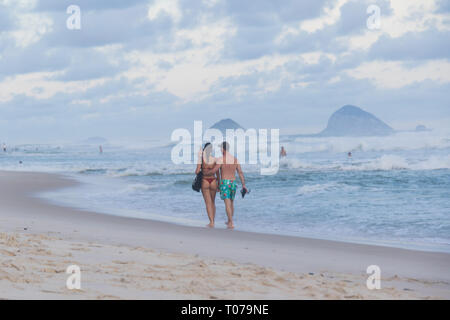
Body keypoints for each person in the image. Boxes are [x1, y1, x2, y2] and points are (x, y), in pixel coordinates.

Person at [203, 141, 248, 229]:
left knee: (227, 203)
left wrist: (206, 173)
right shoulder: (235, 159)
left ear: (223, 149)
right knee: (231, 203)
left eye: (220, 148)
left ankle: (231, 223)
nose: (220, 150)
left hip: (225, 183)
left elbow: (215, 170)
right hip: (233, 183)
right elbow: (240, 173)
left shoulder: (221, 159)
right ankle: (229, 220)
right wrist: (243, 185)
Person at [195, 142, 219, 228]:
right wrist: (219, 183)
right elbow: (217, 172)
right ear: (211, 150)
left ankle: (211, 222)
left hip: (205, 181)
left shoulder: (201, 160)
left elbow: (197, 171)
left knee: (208, 203)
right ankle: (213, 221)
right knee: (213, 202)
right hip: (213, 181)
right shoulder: (215, 159)